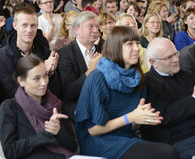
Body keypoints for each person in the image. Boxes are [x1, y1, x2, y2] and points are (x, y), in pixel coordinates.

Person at [75, 26, 179, 159]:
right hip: (99, 142)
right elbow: (94, 130)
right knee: (168, 153)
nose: (136, 48)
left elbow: (131, 126)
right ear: (115, 47)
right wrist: (131, 117)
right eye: (129, 44)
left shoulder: (137, 78)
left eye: (137, 43)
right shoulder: (97, 77)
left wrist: (141, 119)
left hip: (126, 137)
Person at [0, 54, 77, 159]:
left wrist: (59, 132)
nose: (44, 83)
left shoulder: (55, 104)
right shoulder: (10, 107)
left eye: (45, 76)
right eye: (36, 79)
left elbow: (73, 146)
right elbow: (10, 151)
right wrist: (45, 134)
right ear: (21, 81)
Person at [0, 5, 60, 99]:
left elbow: (56, 93)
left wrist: (51, 75)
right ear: (15, 26)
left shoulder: (46, 53)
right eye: (24, 25)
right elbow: (10, 93)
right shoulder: (2, 57)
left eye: (33, 25)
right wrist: (41, 74)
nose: (29, 30)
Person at [144, 37, 195, 159]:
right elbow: (165, 116)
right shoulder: (147, 82)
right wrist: (193, 98)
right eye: (168, 58)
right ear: (152, 62)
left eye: (176, 54)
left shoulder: (186, 75)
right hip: (177, 138)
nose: (176, 60)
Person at [57, 11, 102, 120]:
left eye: (97, 27)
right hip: (79, 108)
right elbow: (69, 92)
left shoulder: (103, 50)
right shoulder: (65, 54)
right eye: (90, 27)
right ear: (77, 29)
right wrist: (90, 71)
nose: (96, 31)